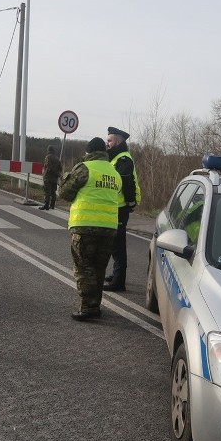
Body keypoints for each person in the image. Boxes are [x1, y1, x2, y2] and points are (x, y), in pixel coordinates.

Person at [58, 137, 122, 321]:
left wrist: (64, 179)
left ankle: (88, 308)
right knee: (99, 268)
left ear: (89, 152)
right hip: (109, 228)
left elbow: (64, 193)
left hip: (85, 226)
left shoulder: (85, 168)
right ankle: (96, 304)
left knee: (84, 267)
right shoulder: (114, 172)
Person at [103, 126, 141, 292]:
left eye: (110, 140)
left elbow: (126, 183)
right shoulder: (116, 157)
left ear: (117, 142)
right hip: (115, 207)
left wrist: (131, 202)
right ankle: (116, 273)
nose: (107, 143)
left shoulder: (123, 159)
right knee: (114, 244)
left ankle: (119, 282)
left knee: (118, 245)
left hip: (120, 207)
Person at [39, 145, 62, 210]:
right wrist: (57, 174)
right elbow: (60, 168)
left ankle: (46, 205)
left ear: (48, 150)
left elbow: (48, 167)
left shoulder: (48, 157)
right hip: (55, 178)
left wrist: (50, 172)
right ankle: (52, 205)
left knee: (47, 191)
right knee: (53, 191)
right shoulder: (57, 159)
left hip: (48, 177)